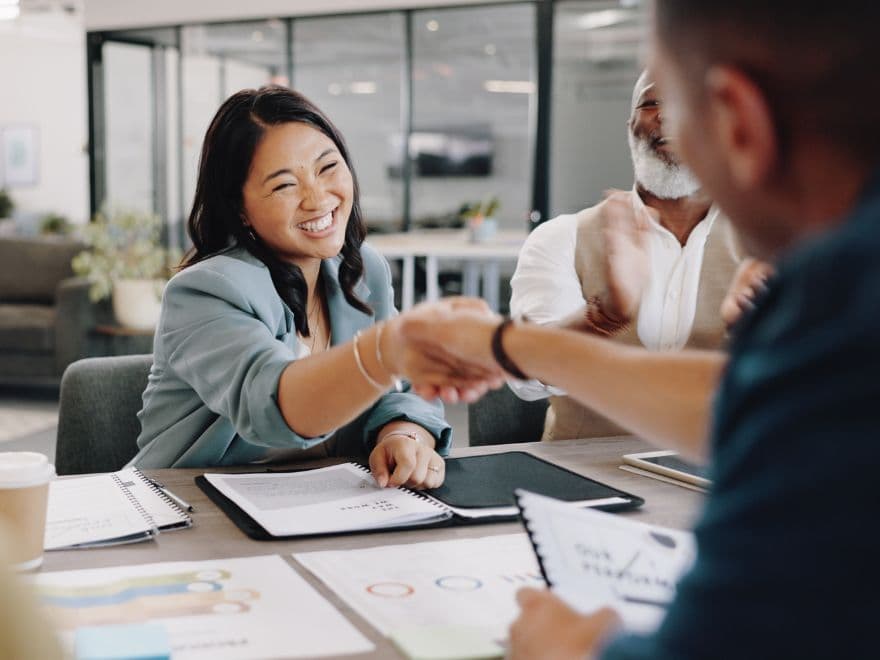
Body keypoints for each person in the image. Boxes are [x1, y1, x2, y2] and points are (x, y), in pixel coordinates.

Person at [400, 0, 880, 656]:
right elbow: (741, 406)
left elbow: (734, 634)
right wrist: (505, 342)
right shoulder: (850, 274)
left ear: (735, 120)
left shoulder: (839, 292)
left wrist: (576, 648)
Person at [131, 86, 495, 488]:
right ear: (240, 210)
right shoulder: (205, 292)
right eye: (285, 185)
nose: (318, 197)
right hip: (195, 514)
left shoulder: (360, 269)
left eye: (327, 168)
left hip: (329, 509)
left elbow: (405, 389)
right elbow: (271, 405)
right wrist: (388, 349)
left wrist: (402, 435)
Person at [509, 71, 746, 441]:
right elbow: (524, 374)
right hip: (582, 479)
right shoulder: (560, 238)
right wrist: (601, 318)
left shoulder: (768, 248)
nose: (666, 116)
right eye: (651, 103)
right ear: (631, 126)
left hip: (725, 479)